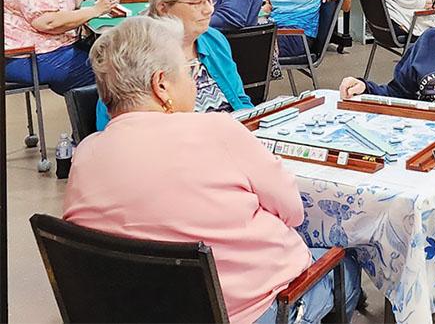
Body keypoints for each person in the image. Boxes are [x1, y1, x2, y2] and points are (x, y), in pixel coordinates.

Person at [64, 16, 361, 323]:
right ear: (161, 83)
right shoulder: (218, 131)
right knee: (346, 268)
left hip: (130, 309)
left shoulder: (85, 154)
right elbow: (293, 212)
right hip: (246, 311)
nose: (193, 81)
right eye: (189, 70)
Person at [94, 0, 253, 129]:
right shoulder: (133, 53)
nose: (209, 10)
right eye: (196, 3)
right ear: (163, 8)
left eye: (210, 0)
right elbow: (117, 126)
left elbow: (240, 99)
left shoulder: (213, 40)